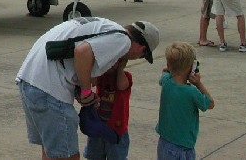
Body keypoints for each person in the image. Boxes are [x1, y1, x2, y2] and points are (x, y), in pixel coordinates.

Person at [16, 17, 159, 160]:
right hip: (49, 90)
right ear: (143, 49)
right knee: (68, 155)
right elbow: (82, 51)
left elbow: (76, 57)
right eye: (142, 56)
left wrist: (80, 92)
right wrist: (86, 91)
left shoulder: (107, 27)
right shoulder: (123, 41)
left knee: (52, 152)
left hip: (30, 80)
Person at [156, 42, 215, 159]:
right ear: (190, 67)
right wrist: (198, 84)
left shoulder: (166, 81)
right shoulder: (191, 92)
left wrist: (170, 69)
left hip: (164, 142)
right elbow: (210, 103)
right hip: (182, 147)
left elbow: (165, 73)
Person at [84, 57, 132, 160]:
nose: (112, 64)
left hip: (116, 129)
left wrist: (120, 69)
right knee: (94, 156)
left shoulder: (126, 77)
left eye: (116, 61)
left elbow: (121, 86)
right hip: (98, 126)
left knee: (117, 156)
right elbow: (92, 81)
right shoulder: (101, 75)